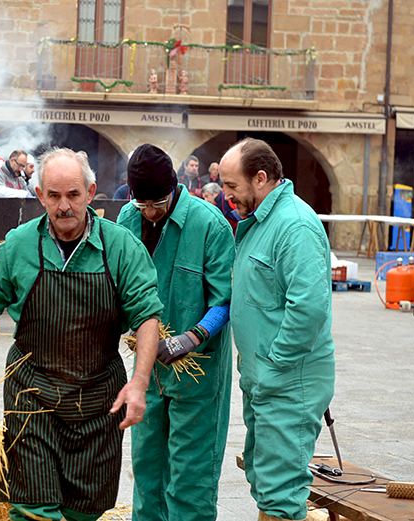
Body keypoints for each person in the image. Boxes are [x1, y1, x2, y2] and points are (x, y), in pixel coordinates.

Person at [0, 147, 163, 521]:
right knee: (34, 510)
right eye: (53, 196)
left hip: (99, 400)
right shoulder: (20, 244)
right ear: (39, 196)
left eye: (73, 195)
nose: (64, 206)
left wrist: (140, 382)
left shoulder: (119, 247)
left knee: (83, 511)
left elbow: (147, 316)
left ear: (91, 192)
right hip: (32, 393)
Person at [219, 138, 335, 521]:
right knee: (263, 475)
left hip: (286, 382)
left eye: (232, 186)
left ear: (262, 178)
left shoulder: (296, 226)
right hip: (265, 380)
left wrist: (273, 364)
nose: (226, 195)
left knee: (280, 491)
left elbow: (309, 310)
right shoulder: (260, 221)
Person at [117, 144, 234, 521]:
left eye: (158, 203)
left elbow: (227, 301)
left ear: (175, 187)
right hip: (148, 374)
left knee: (190, 480)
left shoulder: (209, 224)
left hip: (196, 376)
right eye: (142, 205)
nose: (150, 213)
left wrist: (192, 336)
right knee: (147, 474)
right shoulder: (128, 219)